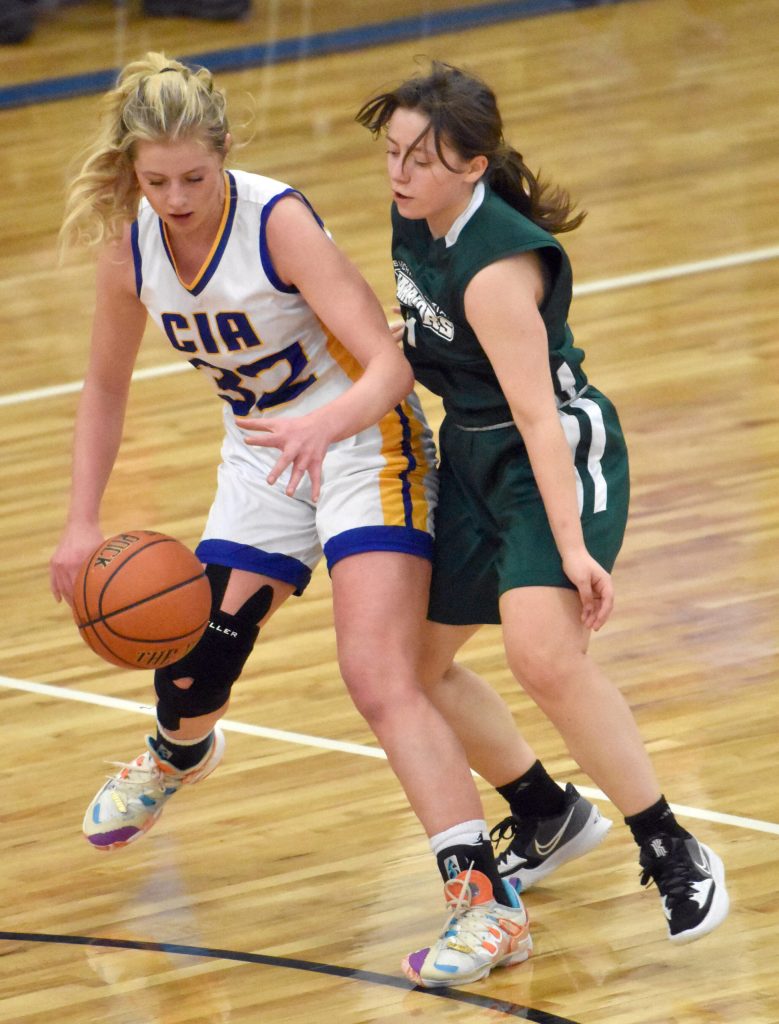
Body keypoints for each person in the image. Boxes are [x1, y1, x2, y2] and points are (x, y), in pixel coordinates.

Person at [50, 51, 534, 990]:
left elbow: (389, 364)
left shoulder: (275, 222)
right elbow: (105, 388)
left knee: (377, 673)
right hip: (265, 454)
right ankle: (178, 750)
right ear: (131, 169)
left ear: (224, 154)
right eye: (157, 181)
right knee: (192, 660)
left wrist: (324, 424)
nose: (177, 199)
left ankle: (486, 905)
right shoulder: (131, 244)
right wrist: (80, 522)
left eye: (194, 179)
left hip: (363, 441)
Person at [356, 60, 730, 947]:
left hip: (549, 453)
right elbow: (422, 340)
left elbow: (534, 416)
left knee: (545, 657)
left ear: (471, 167)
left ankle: (671, 847)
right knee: (412, 667)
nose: (399, 172)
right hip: (472, 451)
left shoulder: (495, 269)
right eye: (392, 152)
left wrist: (571, 550)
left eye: (419, 158)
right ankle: (544, 811)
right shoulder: (416, 216)